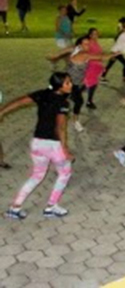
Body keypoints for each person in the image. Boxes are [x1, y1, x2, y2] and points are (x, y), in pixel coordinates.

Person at [1, 72, 74, 220]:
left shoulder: (43, 94)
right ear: (59, 87)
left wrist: (2, 111)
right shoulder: (63, 103)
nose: (71, 84)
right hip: (53, 145)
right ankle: (51, 206)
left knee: (36, 175)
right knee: (65, 173)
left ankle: (15, 208)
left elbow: (20, 101)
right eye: (67, 83)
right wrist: (65, 149)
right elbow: (60, 128)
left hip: (37, 143)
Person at [48, 36, 117, 132]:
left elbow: (64, 50)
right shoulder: (83, 54)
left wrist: (54, 55)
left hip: (71, 78)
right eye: (85, 44)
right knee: (79, 101)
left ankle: (57, 101)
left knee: (67, 95)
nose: (88, 46)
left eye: (88, 44)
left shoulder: (75, 48)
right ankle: (75, 121)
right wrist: (113, 54)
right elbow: (101, 57)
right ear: (80, 44)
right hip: (71, 82)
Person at [84, 28, 106, 110]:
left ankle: (74, 94)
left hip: (96, 66)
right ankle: (89, 101)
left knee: (87, 83)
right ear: (90, 35)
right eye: (94, 34)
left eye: (97, 33)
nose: (96, 35)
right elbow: (87, 55)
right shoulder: (89, 43)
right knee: (92, 84)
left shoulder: (95, 42)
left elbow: (98, 53)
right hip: (91, 66)